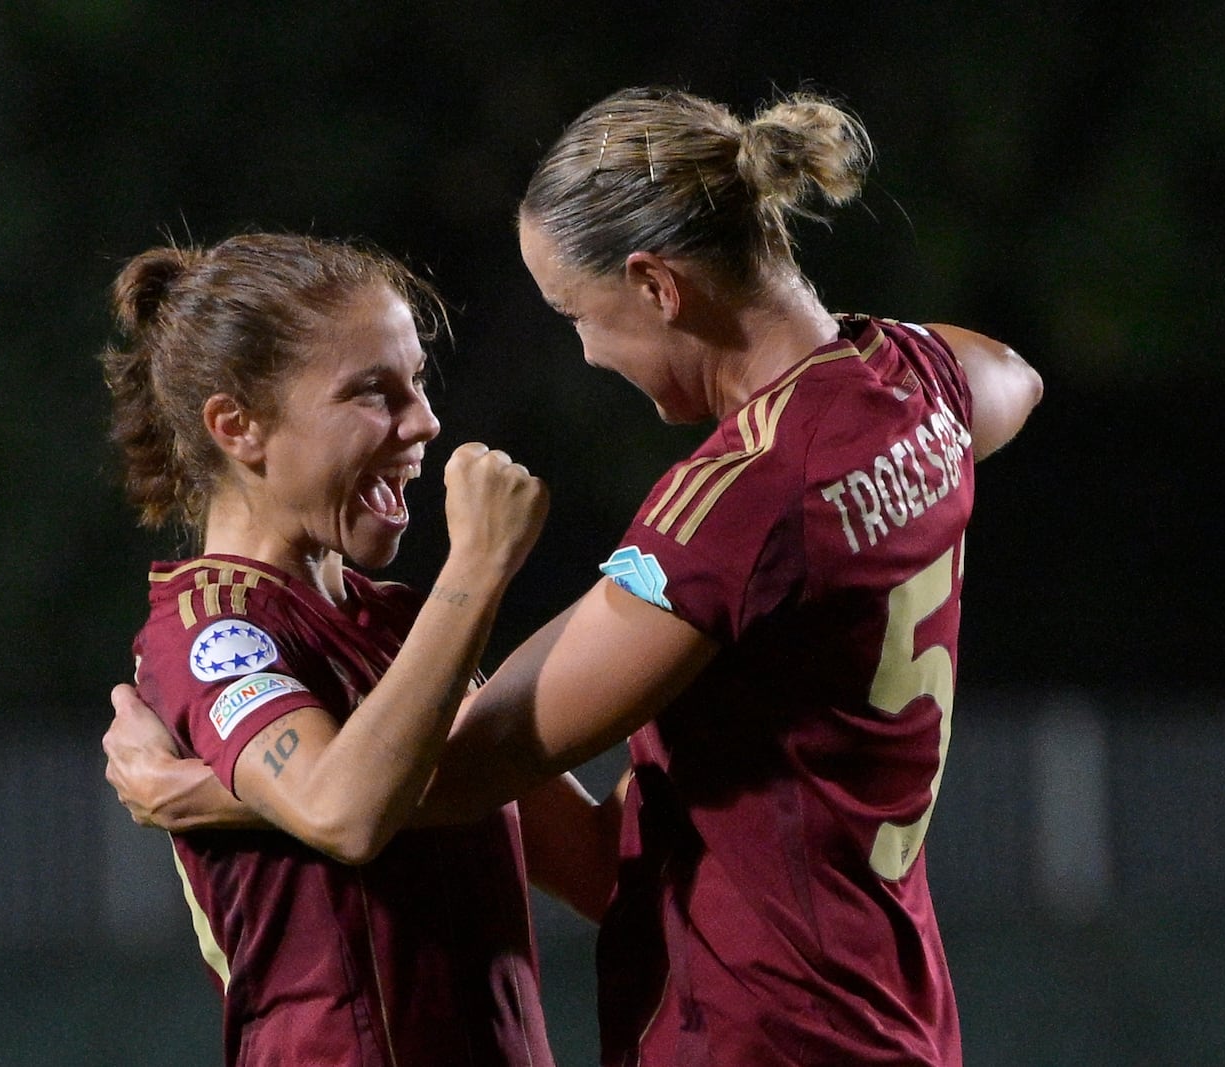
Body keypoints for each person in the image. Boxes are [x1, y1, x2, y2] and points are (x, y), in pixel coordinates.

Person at [105, 86, 1043, 1066]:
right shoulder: (910, 389)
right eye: (374, 392)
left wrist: (212, 787)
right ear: (235, 427)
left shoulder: (742, 502)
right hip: (881, 1006)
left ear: (656, 285)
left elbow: (369, 797)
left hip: (762, 1031)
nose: (587, 350)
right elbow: (1011, 375)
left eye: (575, 313)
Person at [98, 231, 619, 1067]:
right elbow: (344, 807)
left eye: (416, 381)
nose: (424, 420)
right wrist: (479, 567)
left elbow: (597, 865)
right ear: (238, 426)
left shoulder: (400, 625)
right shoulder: (213, 626)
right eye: (373, 393)